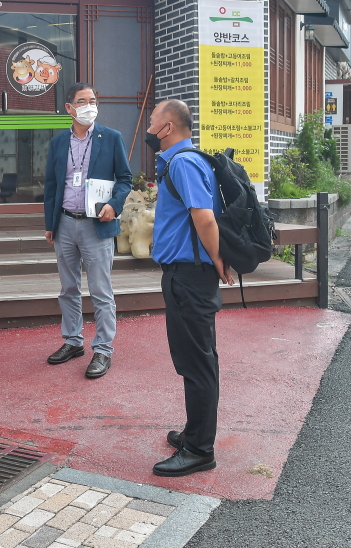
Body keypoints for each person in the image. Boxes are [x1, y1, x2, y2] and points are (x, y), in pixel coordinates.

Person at [145, 100, 235, 477]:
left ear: (167, 128)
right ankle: (194, 432)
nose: (149, 129)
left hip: (190, 276)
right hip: (185, 275)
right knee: (194, 359)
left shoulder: (183, 163)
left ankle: (200, 449)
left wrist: (217, 260)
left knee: (198, 362)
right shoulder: (183, 162)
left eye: (152, 122)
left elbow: (205, 218)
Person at [43, 83, 133, 378]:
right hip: (65, 223)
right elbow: (51, 185)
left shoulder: (112, 138)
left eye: (93, 100)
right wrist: (50, 224)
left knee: (100, 290)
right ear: (69, 108)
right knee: (68, 288)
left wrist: (114, 206)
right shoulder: (58, 142)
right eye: (82, 101)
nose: (89, 106)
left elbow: (125, 179)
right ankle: (73, 341)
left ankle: (103, 349)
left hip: (97, 224)